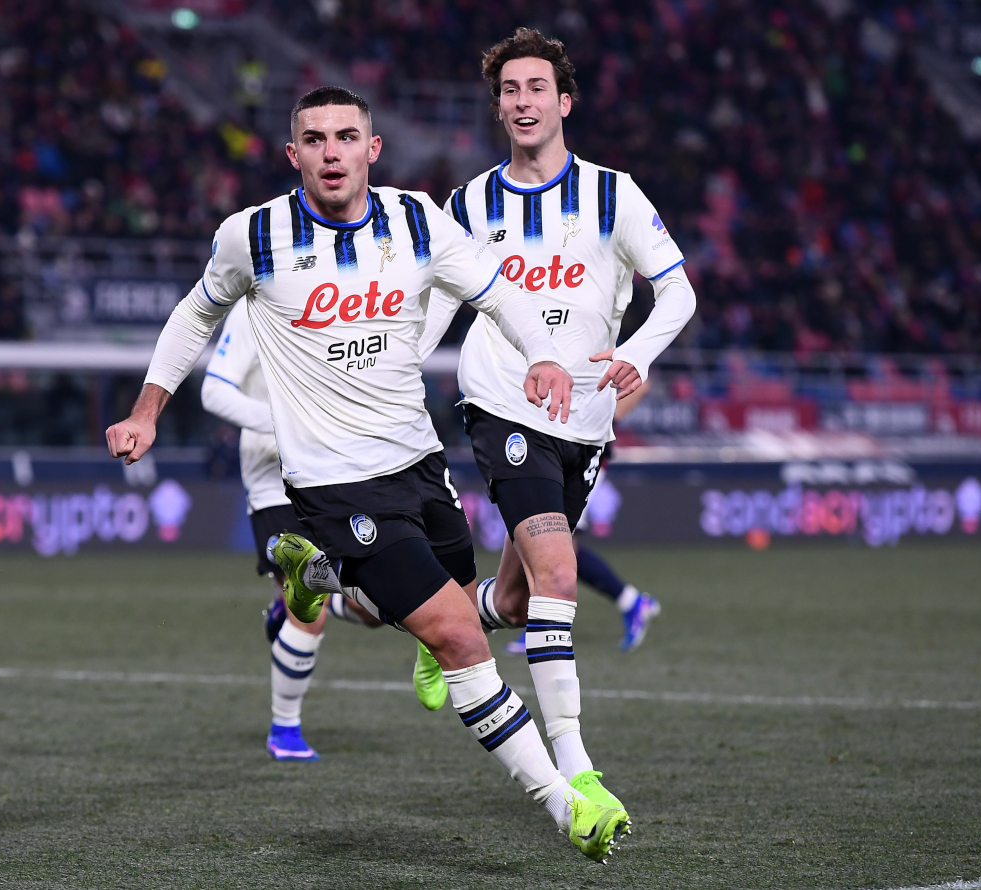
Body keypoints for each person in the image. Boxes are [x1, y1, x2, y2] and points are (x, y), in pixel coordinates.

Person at [107, 85, 630, 861]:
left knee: (448, 598)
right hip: (332, 487)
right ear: (294, 155)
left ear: (371, 150)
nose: (330, 151)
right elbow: (194, 315)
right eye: (313, 139)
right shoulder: (253, 236)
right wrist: (148, 408)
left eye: (345, 136)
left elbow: (496, 288)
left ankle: (313, 580)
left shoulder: (418, 220)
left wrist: (543, 353)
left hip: (420, 466)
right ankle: (564, 803)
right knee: (458, 635)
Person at [419, 29, 696, 815]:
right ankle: (575, 768)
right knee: (561, 574)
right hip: (501, 405)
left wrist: (638, 353)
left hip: (586, 419)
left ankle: (444, 623)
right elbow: (433, 313)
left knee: (514, 601)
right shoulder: (469, 203)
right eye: (510, 91)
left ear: (564, 101)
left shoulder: (613, 193)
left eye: (537, 88)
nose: (523, 102)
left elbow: (678, 293)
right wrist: (390, 377)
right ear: (499, 105)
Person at [201, 307, 396, 761]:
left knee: (374, 609)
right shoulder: (254, 313)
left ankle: (287, 605)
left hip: (334, 473)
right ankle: (284, 729)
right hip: (273, 483)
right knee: (310, 616)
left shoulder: (334, 303)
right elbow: (214, 392)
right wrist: (284, 420)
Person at [503, 382, 662, 655]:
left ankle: (542, 626)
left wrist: (605, 420)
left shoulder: (601, 345)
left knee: (545, 540)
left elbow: (642, 383)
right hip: (558, 449)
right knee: (559, 546)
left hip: (583, 455)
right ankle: (632, 603)